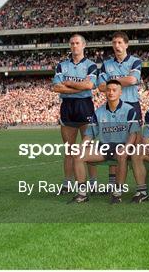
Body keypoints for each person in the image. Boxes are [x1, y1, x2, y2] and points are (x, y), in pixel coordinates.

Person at [69, 80, 139, 204]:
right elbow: (90, 135)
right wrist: (81, 146)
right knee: (78, 155)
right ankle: (82, 193)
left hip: (123, 146)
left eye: (114, 90)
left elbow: (133, 133)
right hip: (104, 147)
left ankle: (117, 193)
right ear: (105, 92)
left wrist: (127, 147)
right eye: (108, 90)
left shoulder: (129, 110)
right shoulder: (98, 112)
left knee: (122, 156)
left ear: (120, 92)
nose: (111, 92)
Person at [52, 34, 97, 194]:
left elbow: (89, 85)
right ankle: (67, 183)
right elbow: (57, 87)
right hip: (67, 107)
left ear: (84, 45)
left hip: (85, 106)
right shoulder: (61, 66)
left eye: (77, 43)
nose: (74, 46)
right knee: (69, 149)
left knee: (88, 149)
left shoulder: (91, 65)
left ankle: (93, 183)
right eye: (72, 43)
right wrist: (79, 87)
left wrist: (69, 84)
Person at [97, 31, 142, 191]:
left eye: (120, 42)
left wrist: (111, 82)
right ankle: (112, 184)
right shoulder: (106, 64)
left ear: (126, 44)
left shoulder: (135, 61)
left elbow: (133, 80)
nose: (117, 45)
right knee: (112, 143)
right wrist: (119, 82)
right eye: (114, 42)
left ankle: (140, 187)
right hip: (113, 108)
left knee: (135, 148)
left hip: (132, 106)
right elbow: (101, 86)